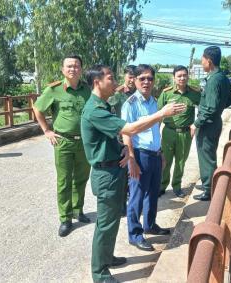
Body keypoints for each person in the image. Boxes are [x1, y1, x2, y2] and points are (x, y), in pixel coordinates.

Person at [81, 64, 185, 283]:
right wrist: (161, 114)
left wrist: (123, 152)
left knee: (111, 223)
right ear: (97, 81)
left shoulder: (104, 105)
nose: (115, 80)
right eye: (110, 77)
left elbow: (112, 137)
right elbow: (129, 129)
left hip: (114, 169)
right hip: (106, 175)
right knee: (106, 224)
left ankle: (106, 257)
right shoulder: (94, 110)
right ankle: (99, 273)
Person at [33, 54, 91, 237]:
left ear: (81, 69)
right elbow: (37, 108)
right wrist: (46, 131)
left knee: (81, 178)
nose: (73, 69)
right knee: (64, 181)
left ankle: (77, 210)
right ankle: (65, 219)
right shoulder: (54, 90)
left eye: (76, 66)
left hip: (83, 142)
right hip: (63, 142)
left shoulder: (87, 90)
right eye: (69, 66)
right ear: (62, 69)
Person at [121, 64, 173, 252]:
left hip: (155, 155)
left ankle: (149, 225)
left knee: (152, 193)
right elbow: (126, 134)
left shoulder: (154, 102)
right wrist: (132, 159)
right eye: (142, 78)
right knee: (136, 195)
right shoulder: (130, 104)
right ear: (134, 80)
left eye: (150, 78)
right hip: (140, 155)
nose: (146, 82)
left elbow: (155, 130)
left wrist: (161, 153)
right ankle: (135, 234)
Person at [191, 46, 231, 201]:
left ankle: (209, 189)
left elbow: (210, 107)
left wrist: (196, 123)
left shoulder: (214, 79)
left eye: (202, 60)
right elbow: (229, 100)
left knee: (206, 156)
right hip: (215, 121)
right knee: (209, 154)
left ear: (208, 60)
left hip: (207, 124)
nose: (201, 63)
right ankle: (209, 182)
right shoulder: (222, 77)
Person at [157, 65, 201, 198]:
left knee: (180, 162)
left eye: (184, 75)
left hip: (185, 133)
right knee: (165, 161)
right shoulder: (167, 93)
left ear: (188, 76)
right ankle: (162, 186)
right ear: (174, 78)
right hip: (168, 132)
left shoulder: (195, 93)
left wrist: (195, 125)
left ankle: (176, 186)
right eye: (179, 76)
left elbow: (204, 110)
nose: (182, 78)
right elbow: (158, 113)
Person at [107, 65, 137, 216]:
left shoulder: (139, 94)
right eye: (129, 76)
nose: (132, 80)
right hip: (121, 140)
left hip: (137, 138)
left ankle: (133, 201)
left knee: (135, 170)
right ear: (125, 76)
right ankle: (122, 204)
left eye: (134, 77)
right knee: (123, 173)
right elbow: (108, 112)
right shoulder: (117, 94)